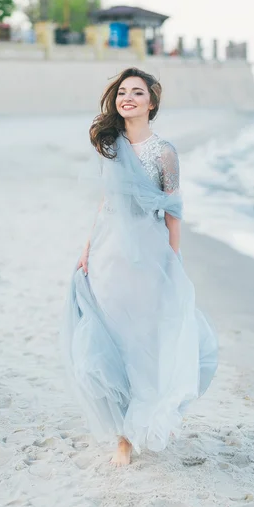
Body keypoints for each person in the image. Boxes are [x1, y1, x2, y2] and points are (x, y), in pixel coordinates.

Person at [62, 67, 218, 466]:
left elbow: (174, 210)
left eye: (137, 92)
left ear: (152, 103)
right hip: (107, 251)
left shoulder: (164, 151)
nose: (127, 98)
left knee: (142, 339)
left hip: (148, 255)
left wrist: (173, 260)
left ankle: (142, 422)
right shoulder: (110, 145)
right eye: (122, 92)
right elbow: (105, 201)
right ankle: (122, 438)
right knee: (109, 336)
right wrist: (87, 247)